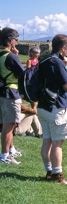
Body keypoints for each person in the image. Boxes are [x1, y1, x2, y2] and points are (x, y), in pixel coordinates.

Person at [37, 34, 67, 185]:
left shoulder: (44, 59)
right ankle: (58, 176)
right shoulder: (58, 63)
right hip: (56, 106)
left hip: (43, 105)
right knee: (57, 143)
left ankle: (49, 171)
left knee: (47, 140)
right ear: (62, 47)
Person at [0, 28, 25, 164]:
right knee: (8, 126)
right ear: (11, 40)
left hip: (1, 91)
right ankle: (4, 155)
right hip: (10, 92)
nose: (16, 41)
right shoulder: (11, 56)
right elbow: (23, 75)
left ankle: (11, 150)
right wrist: (17, 56)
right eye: (16, 39)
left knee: (7, 124)